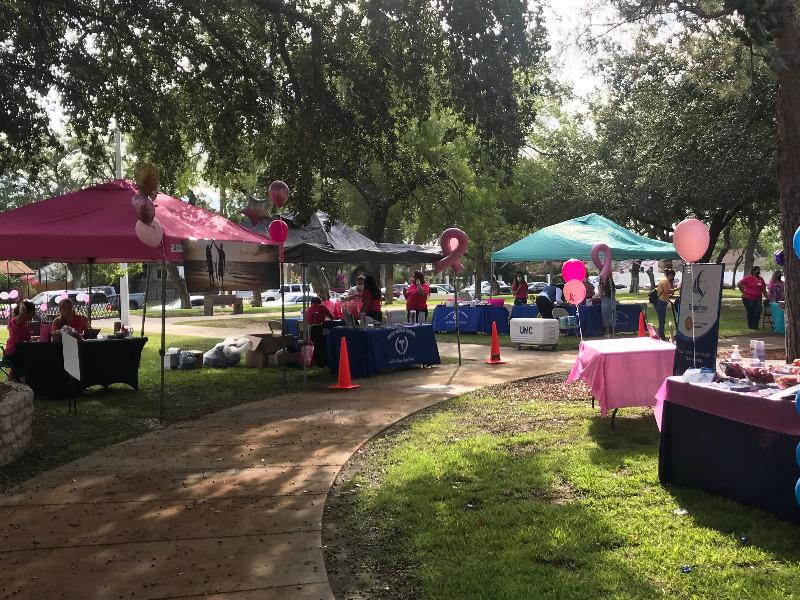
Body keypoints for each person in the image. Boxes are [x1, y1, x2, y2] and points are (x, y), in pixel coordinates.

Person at [4, 300, 35, 374]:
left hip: (19, 351)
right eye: (33, 312)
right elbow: (22, 314)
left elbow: (22, 338)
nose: (34, 314)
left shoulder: (22, 322)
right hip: (14, 352)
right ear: (26, 312)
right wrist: (22, 304)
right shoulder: (17, 320)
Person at [654, 269, 678, 340]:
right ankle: (661, 336)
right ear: (670, 275)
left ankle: (661, 335)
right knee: (661, 320)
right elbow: (668, 291)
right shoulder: (664, 281)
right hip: (660, 302)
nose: (673, 278)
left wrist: (671, 283)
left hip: (662, 302)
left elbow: (670, 292)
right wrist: (678, 288)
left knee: (662, 320)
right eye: (673, 276)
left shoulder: (665, 281)